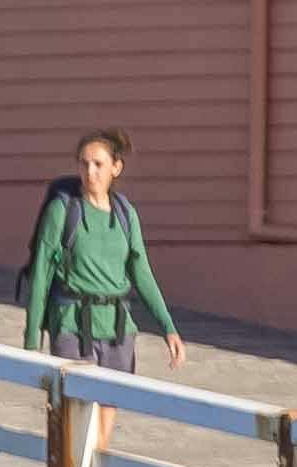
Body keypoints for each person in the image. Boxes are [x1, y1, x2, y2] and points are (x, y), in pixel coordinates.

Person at [25, 129, 182, 380]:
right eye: (84, 164)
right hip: (72, 327)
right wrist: (32, 341)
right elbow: (40, 276)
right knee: (76, 414)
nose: (90, 172)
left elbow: (142, 275)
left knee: (107, 414)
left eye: (98, 164)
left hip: (118, 332)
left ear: (116, 168)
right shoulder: (62, 211)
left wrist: (168, 328)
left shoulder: (125, 214)